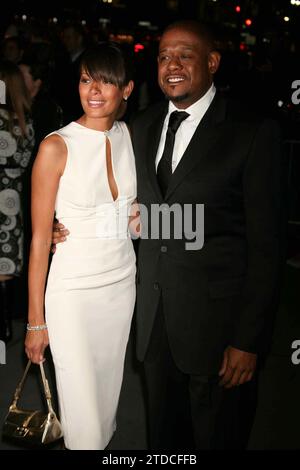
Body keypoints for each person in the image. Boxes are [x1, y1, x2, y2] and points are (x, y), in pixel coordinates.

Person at [53, 21, 284, 449]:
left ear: (212, 62)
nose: (171, 65)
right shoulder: (139, 126)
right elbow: (136, 211)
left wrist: (248, 341)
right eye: (163, 57)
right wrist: (66, 226)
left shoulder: (253, 132)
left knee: (219, 438)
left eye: (184, 55)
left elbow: (268, 248)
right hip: (154, 325)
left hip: (219, 332)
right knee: (164, 441)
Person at [25, 42, 136, 450]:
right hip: (72, 293)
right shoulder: (56, 147)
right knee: (84, 424)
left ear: (126, 89)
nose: (94, 90)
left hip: (121, 287)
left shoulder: (129, 137)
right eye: (87, 79)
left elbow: (133, 215)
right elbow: (39, 239)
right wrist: (36, 321)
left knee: (104, 412)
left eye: (106, 81)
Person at [0, 60, 34, 342]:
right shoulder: (25, 122)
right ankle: (6, 324)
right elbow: (24, 161)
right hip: (12, 200)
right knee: (6, 266)